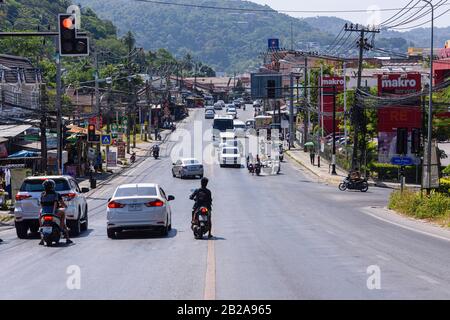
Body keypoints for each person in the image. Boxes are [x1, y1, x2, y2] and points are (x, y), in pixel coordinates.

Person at [39, 180, 72, 245]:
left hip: (44, 213)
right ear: (53, 186)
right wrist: (65, 206)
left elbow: (41, 205)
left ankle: (42, 239)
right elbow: (62, 204)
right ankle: (61, 228)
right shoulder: (56, 194)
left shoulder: (42, 194)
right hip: (54, 213)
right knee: (63, 213)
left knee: (40, 219)